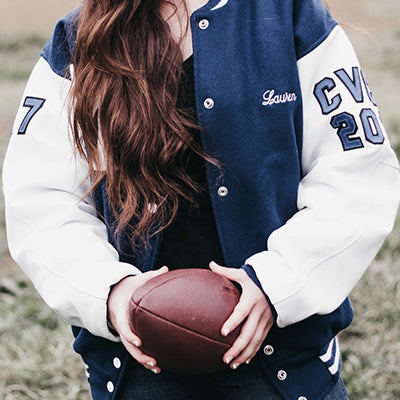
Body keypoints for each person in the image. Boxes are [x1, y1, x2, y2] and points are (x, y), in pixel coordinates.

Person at [3, 0, 400, 399]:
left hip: (283, 364)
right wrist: (110, 292)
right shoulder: (78, 38)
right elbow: (42, 198)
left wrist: (277, 283)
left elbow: (358, 171)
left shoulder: (290, 16)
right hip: (138, 368)